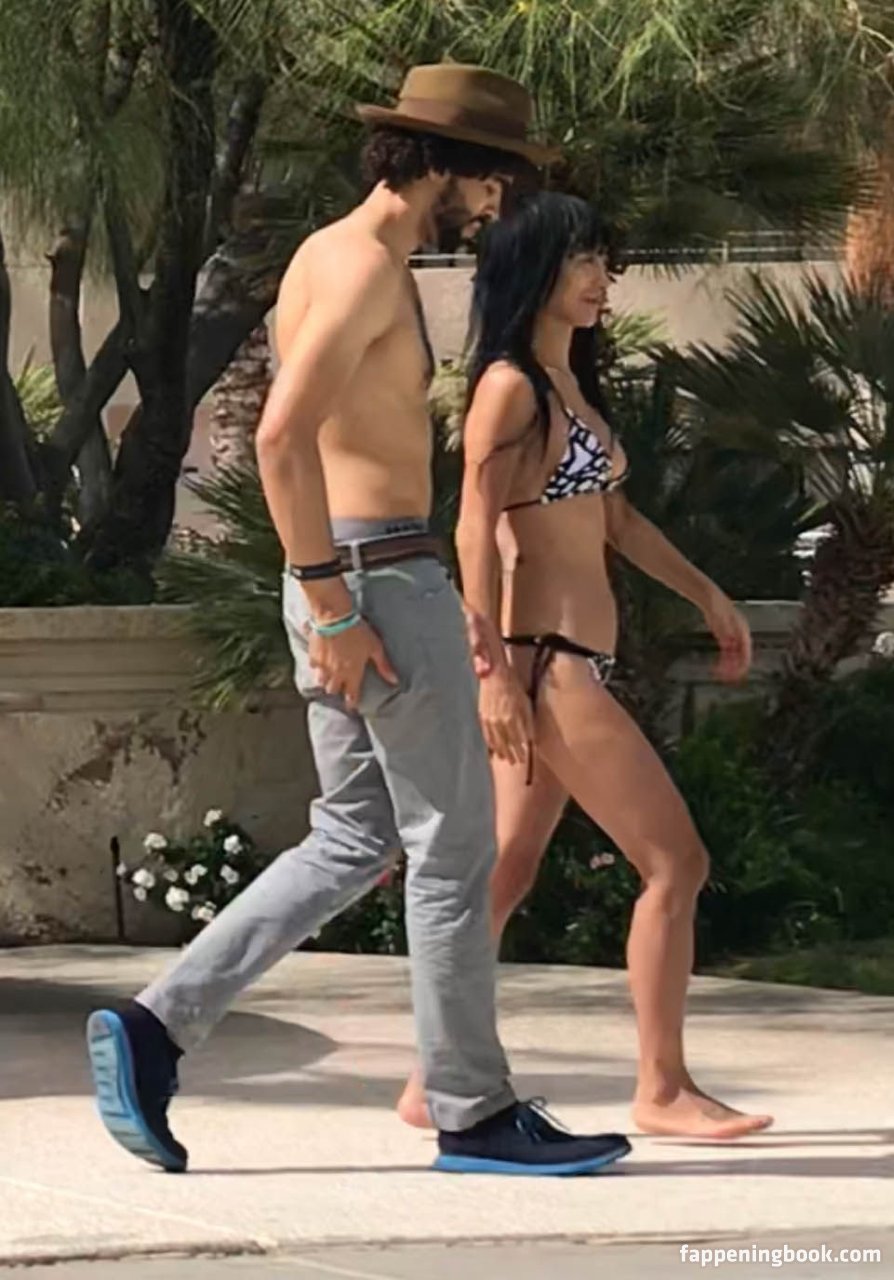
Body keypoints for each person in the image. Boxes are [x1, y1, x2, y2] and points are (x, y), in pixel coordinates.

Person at [85, 67, 631, 1178]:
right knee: (455, 846)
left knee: (354, 835)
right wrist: (334, 606)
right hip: (371, 579)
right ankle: (474, 1109)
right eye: (497, 179)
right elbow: (281, 437)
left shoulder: (325, 255)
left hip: (346, 577)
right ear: (449, 166)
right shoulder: (368, 270)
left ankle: (153, 1026)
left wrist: (324, 595)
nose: (500, 204)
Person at [397, 191, 774, 1141]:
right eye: (583, 261)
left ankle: (431, 1078)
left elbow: (615, 519)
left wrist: (707, 594)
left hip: (564, 662)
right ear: (535, 269)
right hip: (544, 666)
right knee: (676, 862)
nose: (602, 279)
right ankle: (663, 1089)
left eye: (606, 261)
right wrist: (488, 669)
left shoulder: (568, 386)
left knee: (505, 873)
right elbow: (473, 525)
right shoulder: (510, 386)